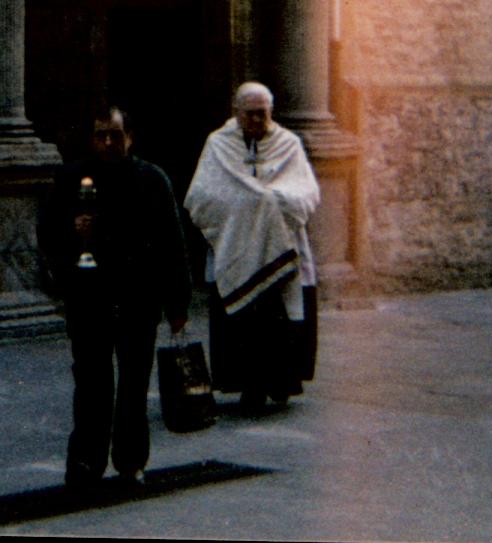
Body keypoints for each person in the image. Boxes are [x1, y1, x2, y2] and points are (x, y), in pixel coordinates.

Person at [38, 107, 191, 489]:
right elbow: (48, 234)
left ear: (130, 137)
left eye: (116, 135)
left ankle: (130, 462)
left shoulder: (152, 180)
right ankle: (86, 463)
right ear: (91, 138)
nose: (108, 142)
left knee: (134, 385)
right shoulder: (71, 178)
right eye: (101, 135)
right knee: (91, 384)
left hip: (138, 298)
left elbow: (173, 243)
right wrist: (72, 233)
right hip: (90, 299)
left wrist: (178, 303)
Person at [184, 82, 321, 411]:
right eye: (252, 114)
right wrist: (250, 201)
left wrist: (270, 201)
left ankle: (282, 383)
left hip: (281, 252)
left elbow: (306, 191)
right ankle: (248, 386)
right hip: (237, 249)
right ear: (236, 112)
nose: (259, 120)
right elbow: (203, 196)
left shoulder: (288, 144)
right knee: (244, 325)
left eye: (264, 114)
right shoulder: (218, 145)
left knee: (279, 323)